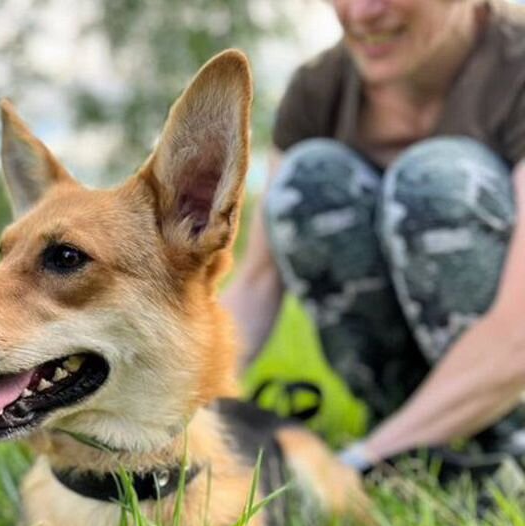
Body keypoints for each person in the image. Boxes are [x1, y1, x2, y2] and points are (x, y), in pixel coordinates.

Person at [222, 0, 525, 482]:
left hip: (513, 383)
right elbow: (256, 286)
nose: (361, 13)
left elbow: (519, 338)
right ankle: (412, 439)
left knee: (433, 182)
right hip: (398, 409)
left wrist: (356, 463)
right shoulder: (319, 90)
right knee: (310, 179)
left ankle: (498, 443)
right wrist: (172, 412)